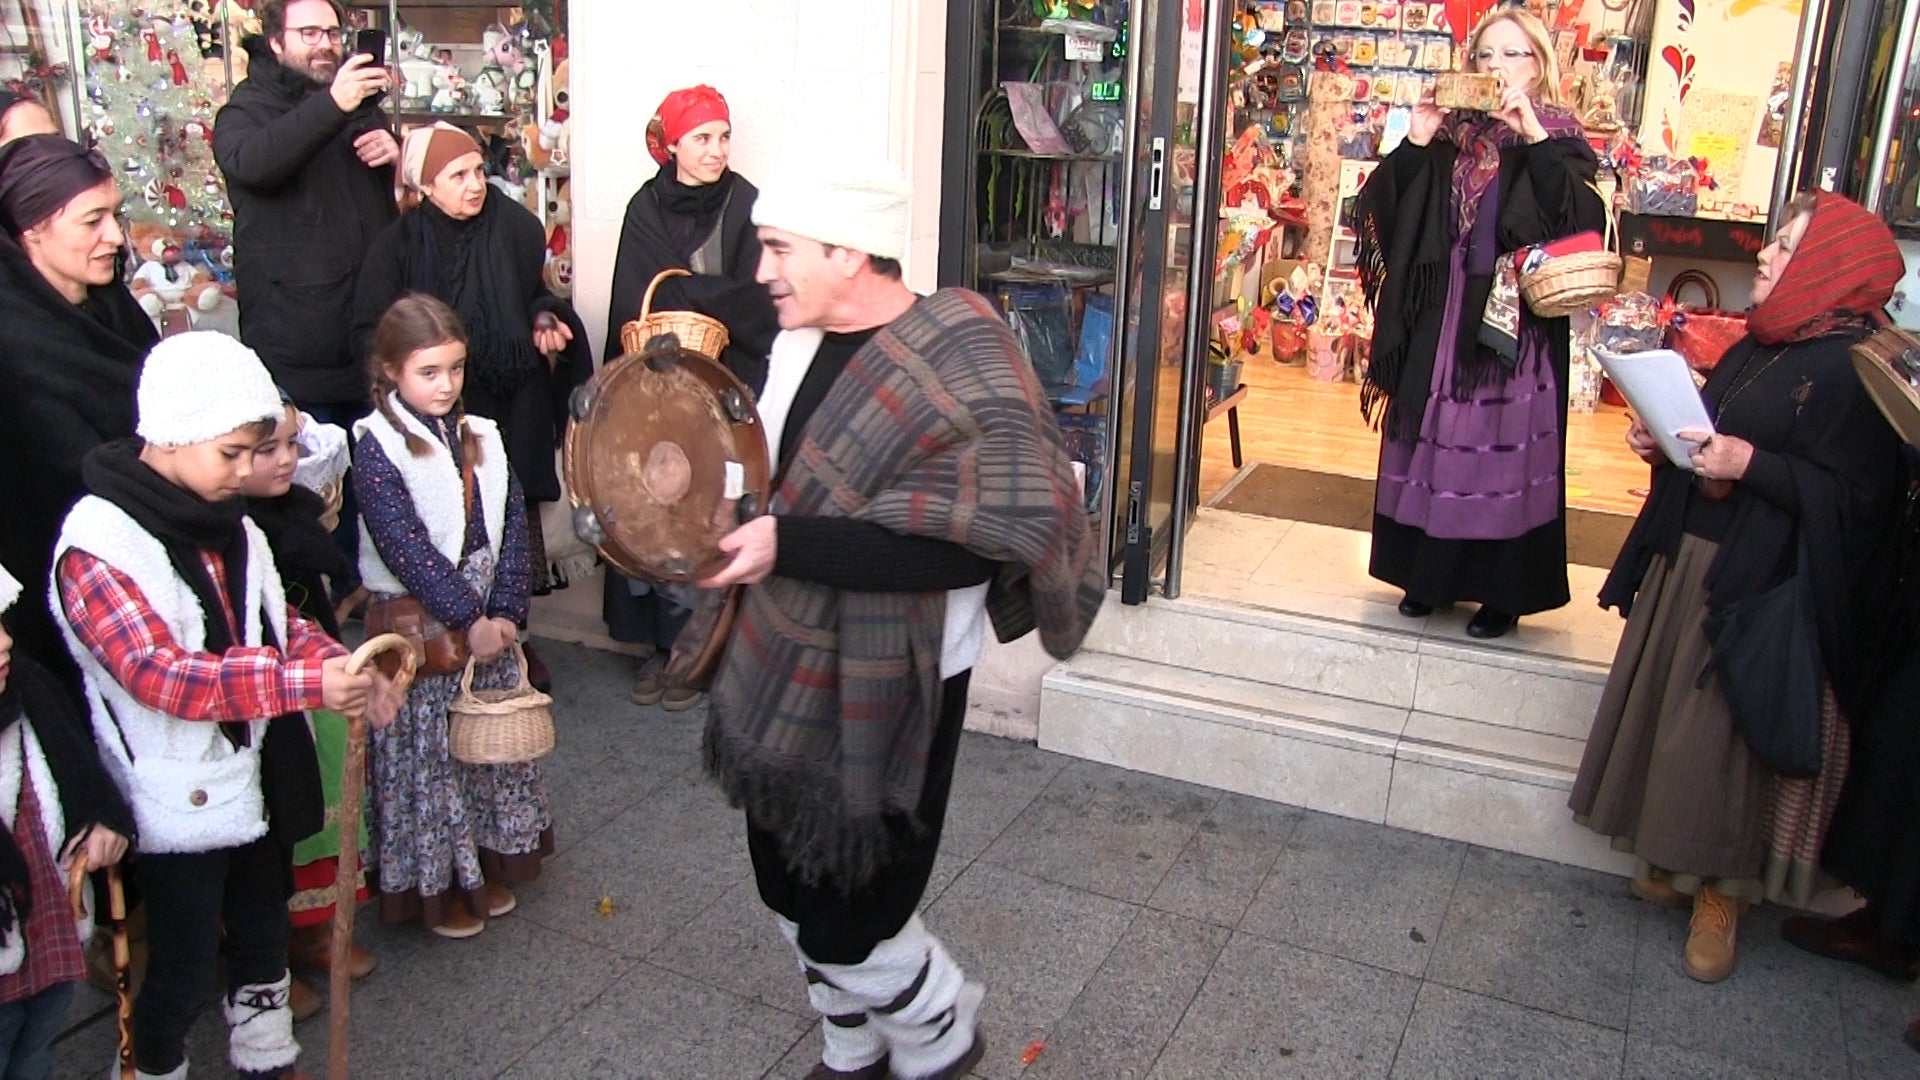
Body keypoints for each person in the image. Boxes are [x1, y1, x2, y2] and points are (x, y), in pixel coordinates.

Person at [676, 161, 1104, 1080]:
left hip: (896, 673)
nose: (762, 272)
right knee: (785, 886)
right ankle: (851, 1048)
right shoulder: (793, 343)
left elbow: (970, 547)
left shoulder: (963, 350)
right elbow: (772, 482)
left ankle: (941, 1028)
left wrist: (782, 545)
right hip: (781, 649)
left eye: (779, 249)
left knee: (855, 910)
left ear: (849, 250)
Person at [1569, 191, 1906, 984]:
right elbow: (1711, 435)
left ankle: (1723, 895)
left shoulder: (1859, 367)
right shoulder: (1763, 342)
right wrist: (1663, 442)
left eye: (1785, 249)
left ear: (1827, 269)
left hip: (1765, 589)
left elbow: (1861, 501)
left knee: (1725, 745)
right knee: (1677, 727)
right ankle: (1674, 866)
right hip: (1698, 556)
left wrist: (1749, 464)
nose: (1764, 257)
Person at [52, 331, 401, 1080]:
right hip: (169, 795)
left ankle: (268, 1059)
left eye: (258, 451)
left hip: (251, 775)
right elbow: (162, 676)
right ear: (173, 434)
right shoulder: (98, 543)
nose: (247, 472)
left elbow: (278, 622)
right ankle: (150, 1067)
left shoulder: (233, 525)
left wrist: (345, 667)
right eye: (232, 454)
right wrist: (305, 684)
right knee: (180, 967)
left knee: (260, 937)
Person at [1354, 7, 1605, 639]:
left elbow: (1582, 220)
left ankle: (1502, 592)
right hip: (1441, 319)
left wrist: (1536, 141)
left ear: (1539, 64)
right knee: (1432, 437)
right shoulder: (1449, 134)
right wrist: (1415, 143)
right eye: (1486, 56)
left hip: (1510, 325)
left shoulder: (1557, 133)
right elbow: (1383, 210)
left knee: (1498, 453)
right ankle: (1427, 578)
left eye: (1513, 54)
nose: (1497, 67)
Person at [350, 123, 591, 693]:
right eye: (457, 175)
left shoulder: (514, 229)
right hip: (432, 404)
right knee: (441, 525)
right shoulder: (399, 245)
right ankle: (446, 632)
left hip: (505, 399)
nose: (475, 184)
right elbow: (372, 329)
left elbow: (532, 293)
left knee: (508, 520)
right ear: (426, 185)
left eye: (479, 170)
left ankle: (514, 640)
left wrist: (546, 319)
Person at [352, 294, 552, 941]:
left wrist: (506, 611)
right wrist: (468, 615)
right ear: (390, 372)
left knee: (481, 753)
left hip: (485, 620)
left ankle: (487, 861)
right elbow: (403, 545)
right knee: (431, 757)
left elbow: (513, 524)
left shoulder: (484, 434)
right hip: (426, 625)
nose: (446, 385)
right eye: (428, 372)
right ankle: (441, 887)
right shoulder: (376, 445)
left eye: (455, 369)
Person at [215, 0, 400, 600]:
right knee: (306, 488)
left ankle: (367, 595)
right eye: (310, 32)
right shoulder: (245, 112)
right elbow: (255, 163)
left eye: (332, 32)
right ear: (275, 42)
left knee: (375, 478)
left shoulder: (352, 107)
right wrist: (335, 105)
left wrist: (392, 156)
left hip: (364, 336)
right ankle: (311, 616)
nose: (326, 43)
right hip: (297, 342)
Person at [602, 84, 779, 710]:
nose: (716, 150)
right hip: (655, 391)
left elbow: (758, 303)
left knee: (712, 508)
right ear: (670, 143)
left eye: (723, 136)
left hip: (724, 388)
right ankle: (657, 649)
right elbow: (639, 300)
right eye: (702, 138)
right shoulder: (644, 208)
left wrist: (693, 298)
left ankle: (702, 648)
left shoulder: (746, 204)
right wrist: (706, 295)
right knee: (654, 504)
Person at [0, 135, 158, 697]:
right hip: (58, 590)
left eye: (114, 215)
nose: (115, 236)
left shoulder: (111, 306)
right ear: (33, 228)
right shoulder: (14, 341)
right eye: (92, 220)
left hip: (149, 566)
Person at [238, 394, 376, 1021]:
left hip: (310, 677)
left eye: (293, 444)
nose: (288, 459)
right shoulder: (234, 528)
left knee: (325, 798)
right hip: (255, 695)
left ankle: (319, 930)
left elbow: (306, 609)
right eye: (268, 449)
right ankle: (268, 957)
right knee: (273, 825)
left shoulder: (294, 511)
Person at [0, 561, 133, 1080]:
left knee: (36, 1049)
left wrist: (100, 821)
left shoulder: (30, 689)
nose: (6, 641)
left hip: (47, 921)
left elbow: (80, 772)